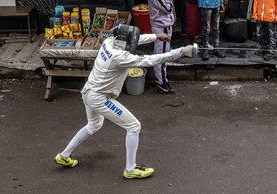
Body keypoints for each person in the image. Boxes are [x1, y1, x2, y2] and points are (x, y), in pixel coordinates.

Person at [54, 24, 197, 179]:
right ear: (124, 42)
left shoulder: (109, 41)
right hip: (99, 98)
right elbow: (149, 60)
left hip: (88, 91)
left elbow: (135, 40)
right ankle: (130, 169)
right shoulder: (119, 57)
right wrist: (180, 52)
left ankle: (64, 155)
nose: (133, 43)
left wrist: (156, 36)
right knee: (134, 126)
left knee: (94, 125)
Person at [146, 0, 176, 94]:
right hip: (161, 29)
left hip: (166, 27)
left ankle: (164, 80)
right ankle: (161, 83)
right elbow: (168, 8)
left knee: (164, 55)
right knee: (161, 57)